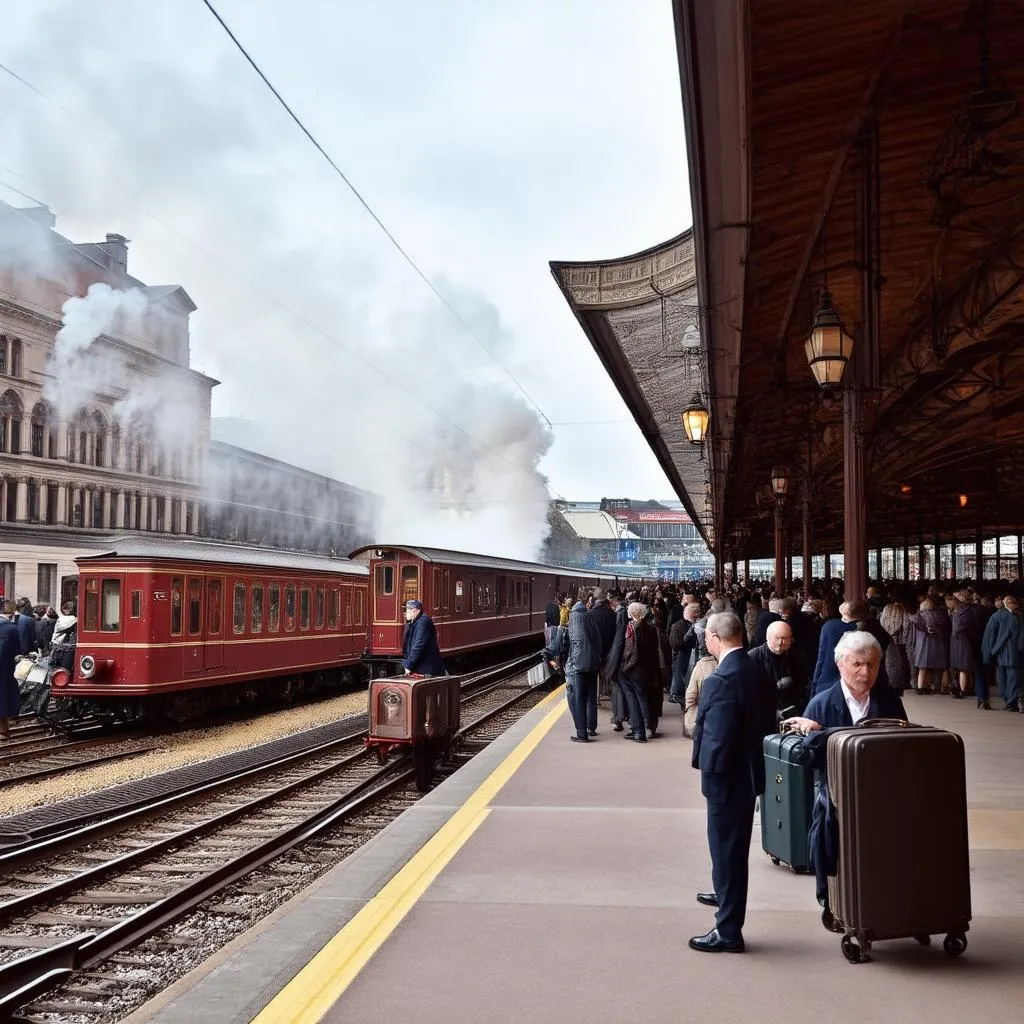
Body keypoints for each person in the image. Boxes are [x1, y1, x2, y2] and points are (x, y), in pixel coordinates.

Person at [783, 631, 907, 925]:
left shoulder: (888, 701)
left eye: (873, 665)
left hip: (880, 794)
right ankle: (833, 901)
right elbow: (805, 758)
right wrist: (815, 737)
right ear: (841, 665)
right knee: (833, 845)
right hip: (836, 795)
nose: (866, 672)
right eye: (858, 664)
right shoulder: (822, 703)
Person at [689, 611, 772, 953]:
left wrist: (705, 771)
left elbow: (717, 739)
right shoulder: (756, 669)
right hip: (749, 773)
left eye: (707, 636)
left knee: (727, 852)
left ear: (715, 638)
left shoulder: (721, 679)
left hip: (727, 781)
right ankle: (724, 894)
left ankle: (727, 931)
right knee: (731, 851)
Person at [619, 601, 660, 742]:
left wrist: (625, 666)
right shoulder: (651, 628)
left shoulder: (632, 628)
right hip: (647, 668)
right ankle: (647, 727)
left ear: (633, 613)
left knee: (637, 698)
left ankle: (640, 728)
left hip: (635, 669)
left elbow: (630, 650)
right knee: (644, 697)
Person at [748, 620, 809, 713]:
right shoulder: (753, 657)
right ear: (768, 637)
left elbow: (802, 682)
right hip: (764, 711)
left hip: (792, 709)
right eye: (777, 638)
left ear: (790, 639)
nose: (780, 642)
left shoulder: (796, 654)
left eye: (785, 638)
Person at [566, 590, 602, 742]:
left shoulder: (574, 616)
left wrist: (573, 663)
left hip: (579, 664)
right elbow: (597, 639)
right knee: (591, 696)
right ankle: (591, 727)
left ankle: (582, 733)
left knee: (579, 698)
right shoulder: (590, 615)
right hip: (593, 662)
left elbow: (574, 641)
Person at [980, 595, 1024, 712]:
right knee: (1013, 678)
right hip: (1014, 652)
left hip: (1000, 652)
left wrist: (988, 652)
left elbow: (990, 635)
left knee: (1002, 677)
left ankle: (1006, 699)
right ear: (1013, 604)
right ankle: (1011, 701)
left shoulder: (996, 616)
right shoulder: (1018, 617)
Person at [401, 600, 446, 677]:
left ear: (416, 611)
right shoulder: (412, 622)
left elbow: (419, 644)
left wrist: (409, 665)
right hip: (419, 668)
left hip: (426, 669)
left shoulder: (424, 621)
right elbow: (408, 645)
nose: (405, 613)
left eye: (408, 611)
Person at [0, 608, 19, 740]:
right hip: (4, 668)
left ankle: (4, 728)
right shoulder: (11, 628)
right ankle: (3, 729)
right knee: (3, 697)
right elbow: (19, 649)